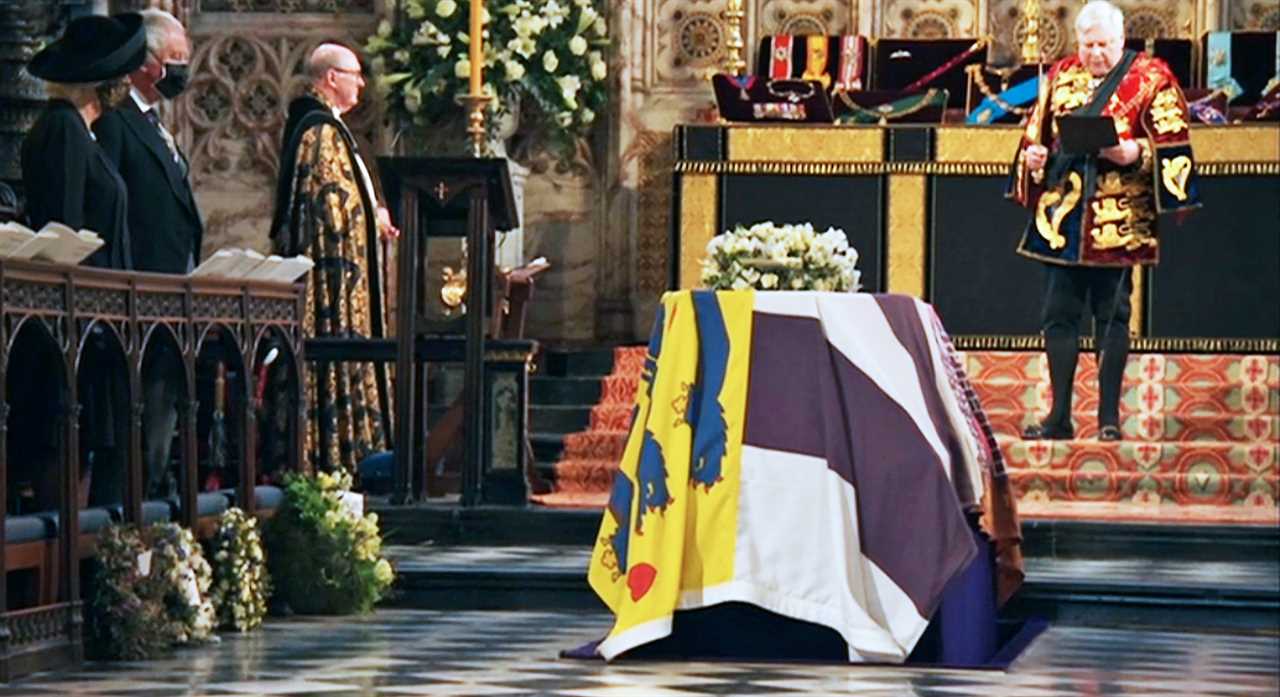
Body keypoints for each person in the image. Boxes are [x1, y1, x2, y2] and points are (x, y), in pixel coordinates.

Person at [1009, 0, 1200, 442]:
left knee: (1112, 317)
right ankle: (1058, 416)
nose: (1094, 53)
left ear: (1121, 40)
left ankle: (1108, 418)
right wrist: (1034, 158)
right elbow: (1034, 141)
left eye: (1103, 45)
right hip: (1062, 221)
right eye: (1087, 44)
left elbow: (1175, 147)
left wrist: (1136, 153)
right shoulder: (1060, 76)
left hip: (1120, 220)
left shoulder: (1152, 79)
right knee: (1057, 316)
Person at [269, 42, 396, 472]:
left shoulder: (332, 129)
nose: (361, 82)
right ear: (330, 78)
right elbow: (329, 213)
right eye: (354, 73)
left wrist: (374, 218)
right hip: (334, 286)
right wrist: (366, 219)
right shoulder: (319, 133)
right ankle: (335, 456)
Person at [93, 9, 203, 498]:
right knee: (135, 441)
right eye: (176, 58)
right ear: (146, 62)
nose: (182, 69)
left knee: (159, 439)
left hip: (171, 302)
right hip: (139, 298)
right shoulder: (117, 123)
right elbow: (113, 211)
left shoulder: (154, 122)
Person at [22, 12, 145, 270]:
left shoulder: (83, 130)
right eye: (121, 75)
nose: (127, 83)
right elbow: (64, 230)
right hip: (85, 296)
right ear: (100, 83)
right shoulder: (64, 127)